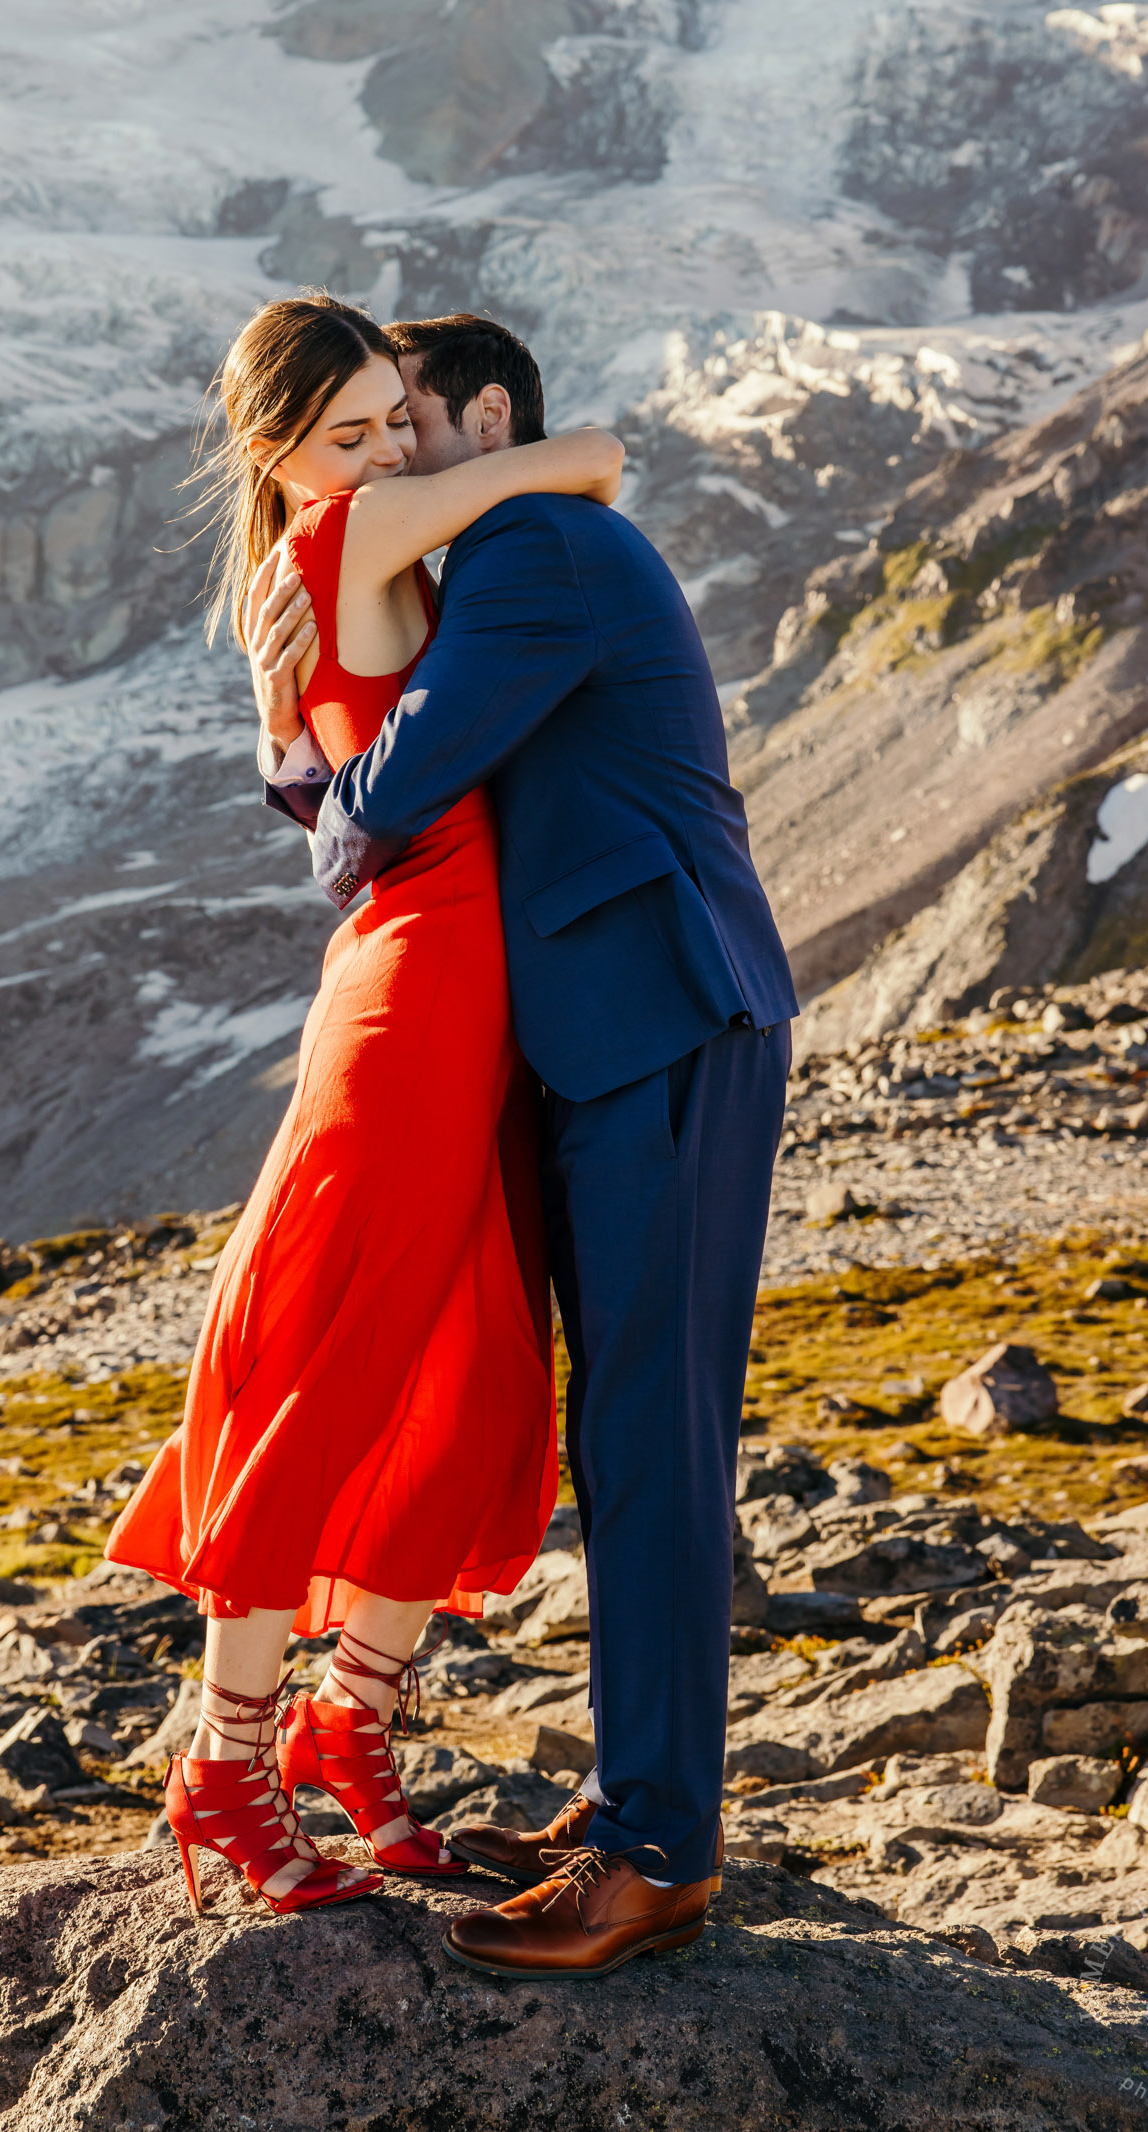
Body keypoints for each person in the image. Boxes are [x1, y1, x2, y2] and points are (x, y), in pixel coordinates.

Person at [250, 310, 798, 1981]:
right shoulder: (500, 551)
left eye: (408, 423)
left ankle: (656, 1857)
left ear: (489, 414)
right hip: (606, 1031)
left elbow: (408, 784)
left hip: (661, 1016)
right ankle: (643, 1801)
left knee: (652, 1433)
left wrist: (324, 786)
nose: (392, 458)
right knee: (622, 1427)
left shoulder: (542, 544)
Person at [104, 293, 625, 1921]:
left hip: (458, 984)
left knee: (472, 1367)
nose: (392, 446)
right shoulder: (348, 523)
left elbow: (340, 784)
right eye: (354, 427)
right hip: (418, 995)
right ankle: (226, 1756)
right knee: (332, 1359)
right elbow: (593, 460)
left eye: (400, 413)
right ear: (282, 453)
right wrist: (445, 474)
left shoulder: (322, 553)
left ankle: (353, 1718)